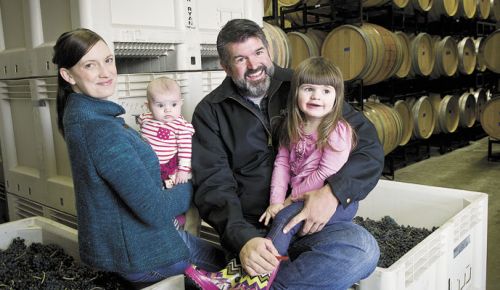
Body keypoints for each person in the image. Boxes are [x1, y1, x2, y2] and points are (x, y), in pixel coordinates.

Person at [188, 19, 384, 290]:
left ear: (270, 51)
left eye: (258, 53)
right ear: (224, 66)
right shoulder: (210, 111)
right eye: (240, 59)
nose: (254, 65)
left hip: (313, 223)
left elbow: (368, 147)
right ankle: (259, 276)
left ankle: (245, 284)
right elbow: (213, 185)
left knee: (362, 250)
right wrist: (243, 239)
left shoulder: (304, 85)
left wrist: (333, 193)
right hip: (255, 230)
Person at [52, 28, 225, 289]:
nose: (106, 72)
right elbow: (155, 210)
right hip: (147, 254)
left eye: (108, 60)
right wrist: (189, 181)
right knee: (237, 265)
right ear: (68, 75)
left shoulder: (80, 116)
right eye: (90, 65)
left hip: (130, 247)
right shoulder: (100, 131)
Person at [138, 77, 195, 229]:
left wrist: (183, 170)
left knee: (169, 194)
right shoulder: (146, 119)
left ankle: (176, 219)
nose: (168, 110)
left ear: (181, 103)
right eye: (160, 105)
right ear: (148, 106)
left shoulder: (181, 127)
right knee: (150, 195)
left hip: (169, 168)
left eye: (174, 104)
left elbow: (185, 149)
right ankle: (151, 222)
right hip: (149, 166)